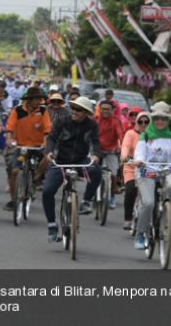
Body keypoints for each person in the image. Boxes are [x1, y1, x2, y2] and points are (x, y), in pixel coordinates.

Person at [43, 96, 102, 242]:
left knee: (97, 171)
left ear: (86, 113)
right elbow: (51, 138)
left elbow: (95, 142)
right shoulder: (61, 122)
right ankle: (51, 224)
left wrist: (95, 155)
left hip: (80, 161)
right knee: (47, 191)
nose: (74, 111)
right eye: (73, 108)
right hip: (60, 161)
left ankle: (86, 201)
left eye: (79, 110)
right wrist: (49, 152)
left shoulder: (92, 125)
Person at [132, 103, 171, 249]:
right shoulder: (146, 135)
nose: (160, 121)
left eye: (163, 119)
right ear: (152, 120)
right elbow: (139, 153)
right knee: (148, 203)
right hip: (146, 172)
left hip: (166, 170)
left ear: (167, 121)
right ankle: (140, 233)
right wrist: (140, 161)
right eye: (156, 119)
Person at [4, 87, 51, 211]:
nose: (39, 101)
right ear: (29, 100)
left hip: (37, 147)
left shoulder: (43, 111)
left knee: (48, 159)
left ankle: (36, 179)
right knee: (14, 171)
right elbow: (10, 126)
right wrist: (9, 139)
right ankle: (13, 200)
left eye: (41, 99)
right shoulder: (18, 111)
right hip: (21, 146)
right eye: (37, 99)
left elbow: (47, 129)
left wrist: (46, 143)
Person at [120, 111, 150, 230]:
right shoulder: (130, 133)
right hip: (131, 167)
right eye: (140, 121)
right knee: (131, 190)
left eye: (146, 122)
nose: (143, 124)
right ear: (136, 122)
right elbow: (125, 146)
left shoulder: (153, 135)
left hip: (148, 169)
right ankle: (127, 219)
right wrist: (124, 156)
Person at [96, 100, 124, 209]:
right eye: (103, 109)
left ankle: (112, 196)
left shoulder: (116, 121)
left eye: (108, 109)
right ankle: (90, 197)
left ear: (113, 110)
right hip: (97, 151)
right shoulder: (96, 120)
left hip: (111, 151)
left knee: (113, 175)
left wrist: (123, 147)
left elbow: (121, 135)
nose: (105, 111)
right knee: (93, 172)